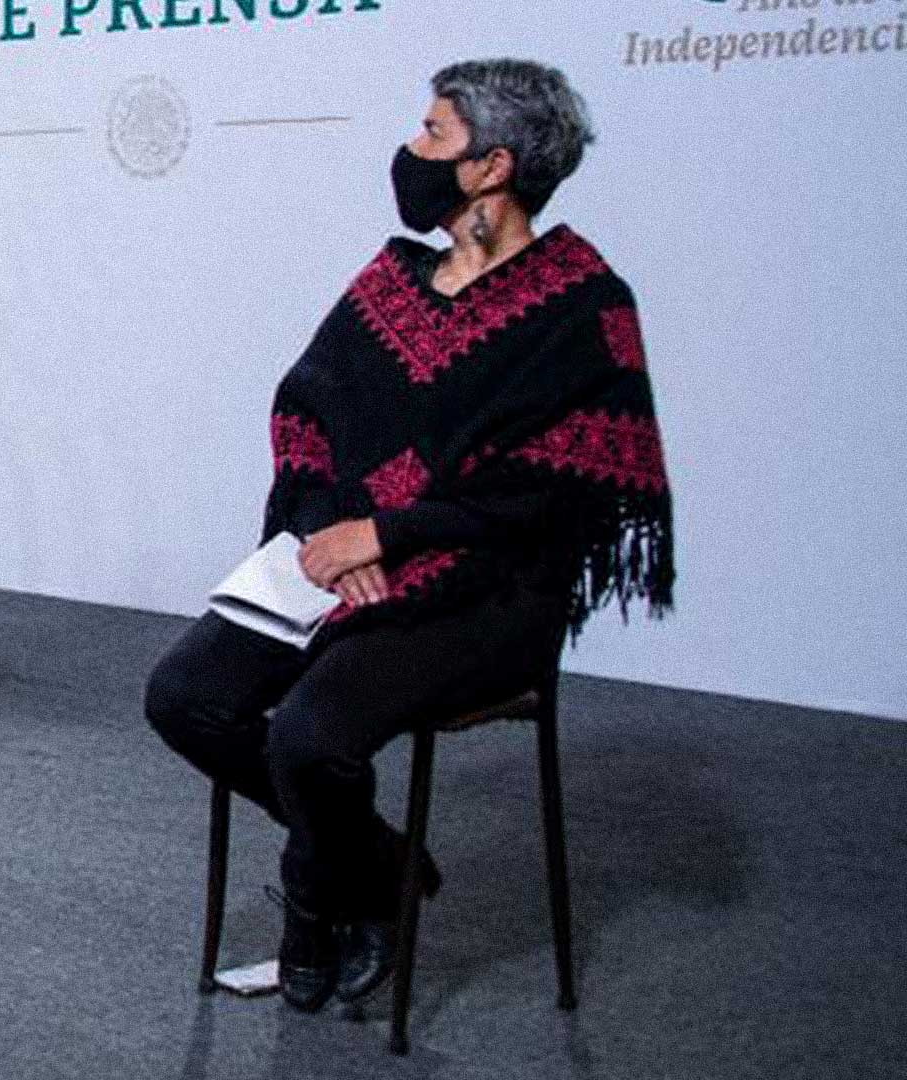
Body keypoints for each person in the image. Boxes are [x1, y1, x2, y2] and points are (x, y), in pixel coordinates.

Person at [145, 59, 673, 1013]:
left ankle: (315, 898)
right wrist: (331, 531)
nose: (411, 151)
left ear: (492, 166)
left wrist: (388, 533)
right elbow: (302, 413)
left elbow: (562, 489)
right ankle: (382, 869)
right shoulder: (391, 282)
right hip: (341, 561)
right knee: (185, 697)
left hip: (488, 588)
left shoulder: (585, 306)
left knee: (309, 739)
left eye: (433, 134)